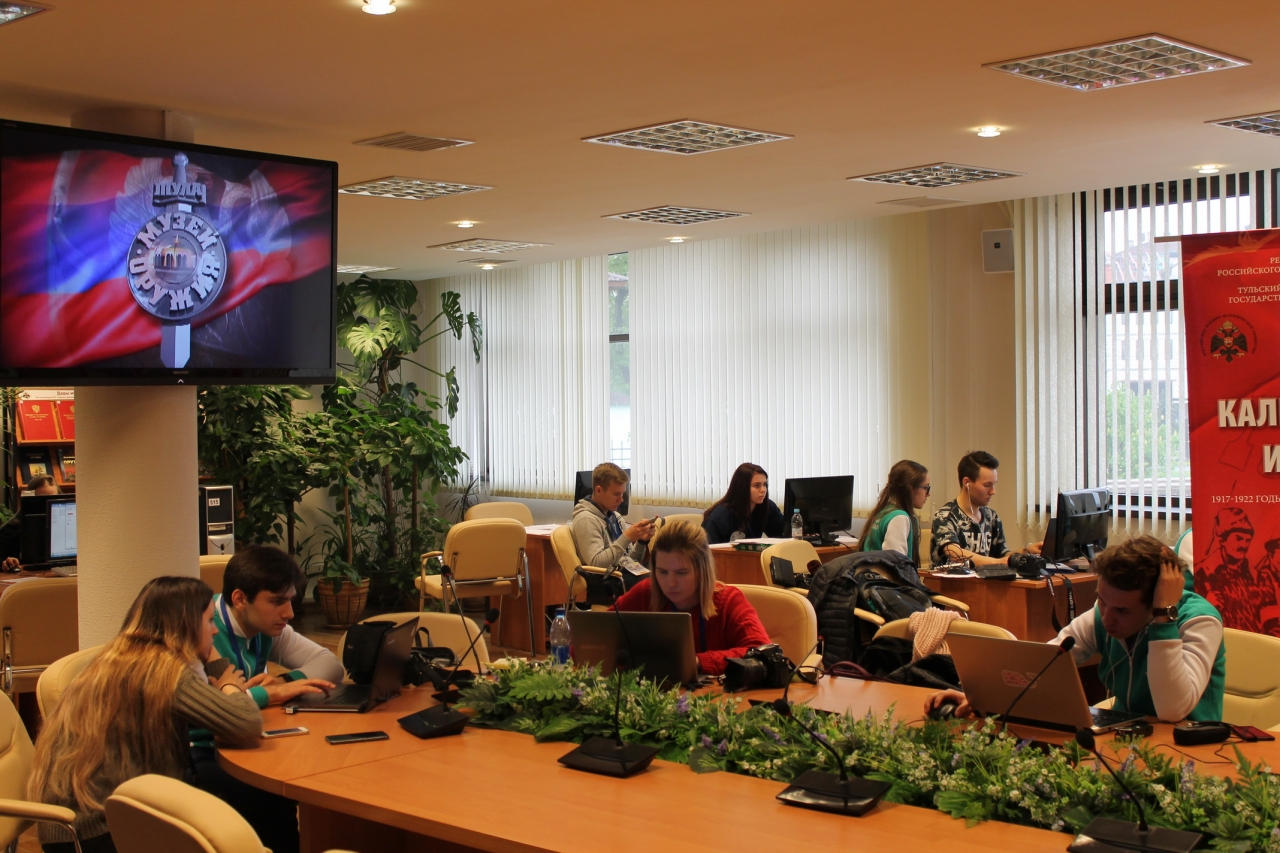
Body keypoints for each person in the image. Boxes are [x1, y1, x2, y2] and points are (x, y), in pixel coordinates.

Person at [29, 576, 262, 853]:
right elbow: (246, 723)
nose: (214, 631)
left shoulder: (117, 658)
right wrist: (228, 684)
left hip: (68, 829)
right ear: (186, 625)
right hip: (99, 831)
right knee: (255, 804)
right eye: (209, 621)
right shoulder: (163, 673)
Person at [925, 535, 1226, 723]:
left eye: (1122, 610)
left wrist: (1163, 617)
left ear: (1157, 601)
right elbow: (1042, 662)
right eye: (1102, 601)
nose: (1107, 618)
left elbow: (1173, 711)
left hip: (1194, 750)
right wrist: (979, 696)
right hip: (1132, 736)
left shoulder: (1199, 621)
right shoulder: (1103, 614)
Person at [190, 546, 340, 853]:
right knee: (274, 798)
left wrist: (286, 682)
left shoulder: (264, 625)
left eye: (291, 600)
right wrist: (265, 694)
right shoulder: (203, 630)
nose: (289, 613)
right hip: (202, 749)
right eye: (277, 601)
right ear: (239, 599)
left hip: (245, 736)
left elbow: (331, 665)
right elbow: (204, 710)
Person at [613, 520, 770, 676]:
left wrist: (697, 661)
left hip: (715, 690)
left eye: (681, 573)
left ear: (702, 570)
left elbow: (762, 653)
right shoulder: (646, 592)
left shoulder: (728, 600)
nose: (670, 583)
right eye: (662, 572)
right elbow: (603, 632)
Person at [930, 450, 1041, 567]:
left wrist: (1026, 551)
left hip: (984, 579)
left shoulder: (992, 517)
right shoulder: (945, 516)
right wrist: (998, 562)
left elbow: (1002, 555)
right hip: (952, 579)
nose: (993, 491)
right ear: (967, 483)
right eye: (987, 485)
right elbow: (954, 553)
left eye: (994, 484)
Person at [570, 463, 654, 582]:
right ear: (598, 490)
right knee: (658, 582)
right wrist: (626, 537)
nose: (621, 500)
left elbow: (631, 560)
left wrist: (641, 541)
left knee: (663, 570)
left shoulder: (616, 517)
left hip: (623, 571)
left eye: (622, 494)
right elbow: (596, 564)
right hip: (607, 580)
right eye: (616, 494)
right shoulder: (586, 520)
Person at [1196, 507, 1271, 633]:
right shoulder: (1202, 574)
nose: (1244, 545)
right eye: (1239, 538)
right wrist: (1206, 606)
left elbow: (1273, 621)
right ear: (1222, 540)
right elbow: (1190, 620)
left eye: (1248, 540)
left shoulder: (1260, 578)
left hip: (1257, 643)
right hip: (1218, 641)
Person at [859, 460, 930, 565]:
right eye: (926, 488)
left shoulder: (883, 512)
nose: (928, 494)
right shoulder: (899, 518)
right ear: (911, 488)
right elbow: (895, 566)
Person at [701, 463, 786, 544]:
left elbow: (784, 533)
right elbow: (707, 549)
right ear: (742, 487)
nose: (763, 490)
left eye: (764, 484)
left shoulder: (766, 506)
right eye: (757, 485)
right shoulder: (720, 516)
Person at [0, 475, 61, 571]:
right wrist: (5, 563)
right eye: (42, 500)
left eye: (53, 499)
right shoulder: (9, 531)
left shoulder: (63, 526)